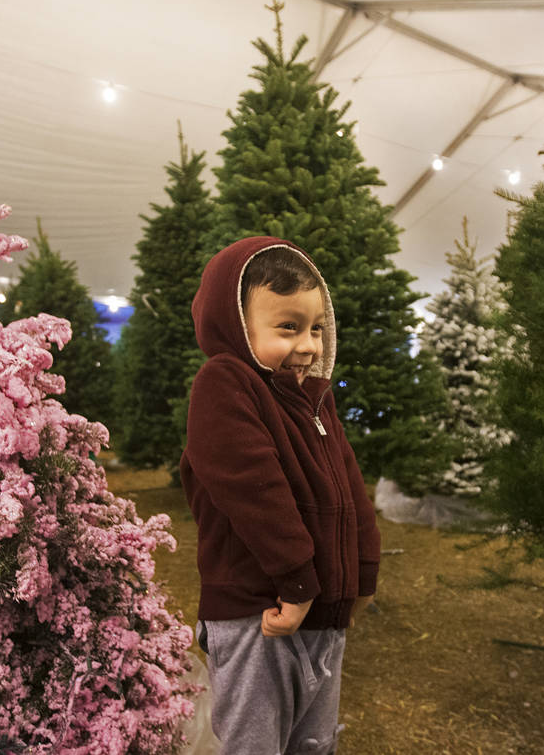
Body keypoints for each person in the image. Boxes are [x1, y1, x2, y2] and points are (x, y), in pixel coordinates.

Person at [180, 236, 380, 755]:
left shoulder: (315, 400)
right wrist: (295, 582)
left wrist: (361, 575)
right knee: (255, 743)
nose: (309, 345)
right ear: (236, 323)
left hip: (320, 613)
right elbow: (252, 487)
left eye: (316, 328)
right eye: (287, 327)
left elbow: (350, 489)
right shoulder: (224, 383)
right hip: (260, 615)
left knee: (313, 742)